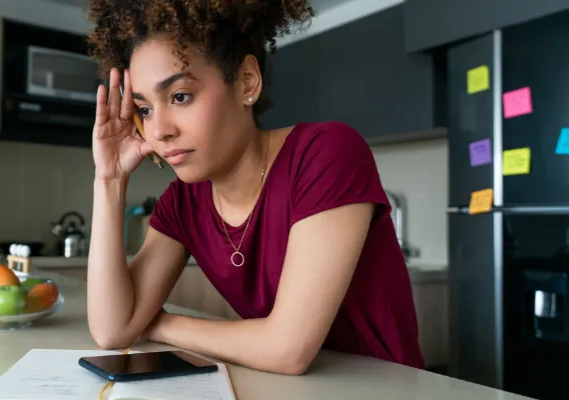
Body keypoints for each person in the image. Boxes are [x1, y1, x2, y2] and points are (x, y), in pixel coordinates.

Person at [84, 0, 425, 375]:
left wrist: (161, 324)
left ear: (246, 82)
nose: (159, 130)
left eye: (180, 96)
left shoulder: (327, 153)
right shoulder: (184, 201)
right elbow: (112, 330)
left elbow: (287, 351)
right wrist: (110, 179)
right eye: (145, 110)